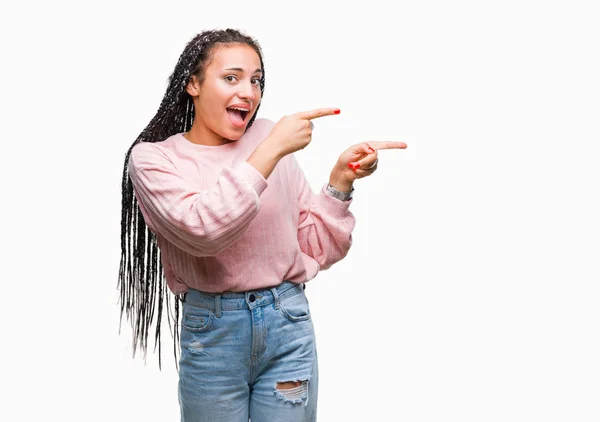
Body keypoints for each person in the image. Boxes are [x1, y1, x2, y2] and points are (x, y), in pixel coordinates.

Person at [118, 28, 406, 422]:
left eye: (256, 80)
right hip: (212, 333)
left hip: (287, 323)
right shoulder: (154, 160)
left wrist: (340, 180)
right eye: (232, 77)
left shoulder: (271, 141)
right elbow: (203, 230)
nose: (249, 92)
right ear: (193, 84)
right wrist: (270, 148)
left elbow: (314, 247)